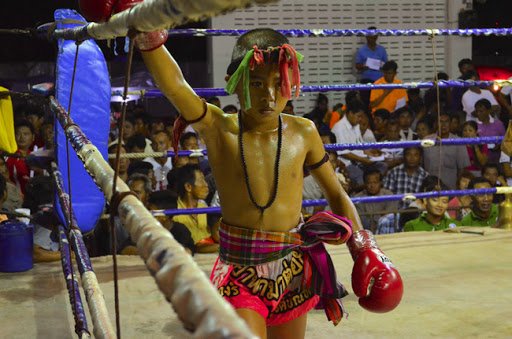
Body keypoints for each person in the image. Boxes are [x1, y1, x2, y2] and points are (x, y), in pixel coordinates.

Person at [137, 27, 402, 337]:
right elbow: (175, 86)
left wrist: (365, 248)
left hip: (292, 269)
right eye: (258, 84)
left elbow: (336, 194)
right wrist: (147, 37)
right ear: (235, 82)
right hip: (239, 270)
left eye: (279, 83)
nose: (270, 95)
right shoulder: (219, 128)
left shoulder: (304, 132)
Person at [422, 112, 470, 189]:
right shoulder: (426, 140)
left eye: (446, 121)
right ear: (436, 124)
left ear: (450, 124)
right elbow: (422, 165)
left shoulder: (459, 141)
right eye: (440, 121)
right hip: (430, 186)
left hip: (450, 186)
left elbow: (462, 169)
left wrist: (457, 186)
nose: (443, 125)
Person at [354, 167, 397, 233]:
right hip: (366, 232)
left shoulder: (389, 195)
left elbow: (389, 217)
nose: (372, 186)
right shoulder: (358, 198)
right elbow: (362, 221)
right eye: (369, 183)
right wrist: (380, 215)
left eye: (375, 182)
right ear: (364, 183)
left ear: (380, 182)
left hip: (386, 230)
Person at [354, 26, 388, 107]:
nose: (372, 38)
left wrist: (381, 65)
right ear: (367, 36)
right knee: (365, 104)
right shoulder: (361, 50)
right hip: (366, 81)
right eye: (371, 36)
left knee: (379, 103)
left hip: (380, 82)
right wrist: (363, 66)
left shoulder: (382, 50)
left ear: (377, 37)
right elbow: (357, 65)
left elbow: (386, 66)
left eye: (374, 36)